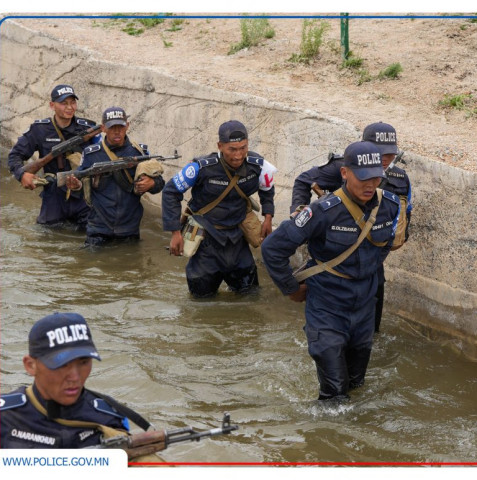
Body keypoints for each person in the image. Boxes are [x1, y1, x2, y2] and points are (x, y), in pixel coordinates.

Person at [262, 141, 400, 401]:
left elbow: (385, 245)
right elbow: (272, 248)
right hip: (327, 309)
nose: (370, 185)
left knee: (357, 384)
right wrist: (291, 289)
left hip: (363, 309)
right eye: (363, 178)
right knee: (335, 394)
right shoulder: (322, 211)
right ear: (345, 173)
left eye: (376, 178)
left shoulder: (389, 205)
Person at [289, 122, 413, 332]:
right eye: (379, 153)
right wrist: (298, 214)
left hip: (371, 263)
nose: (383, 160)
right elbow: (303, 181)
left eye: (389, 155)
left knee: (371, 331)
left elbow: (403, 219)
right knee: (328, 331)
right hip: (334, 258)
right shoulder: (342, 167)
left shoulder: (399, 179)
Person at [0, 312, 151, 449]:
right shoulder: (6, 417)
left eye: (84, 362)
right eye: (62, 365)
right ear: (30, 365)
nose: (75, 377)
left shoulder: (110, 417)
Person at [162, 120, 275, 297]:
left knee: (250, 297)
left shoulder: (258, 166)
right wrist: (174, 232)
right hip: (206, 242)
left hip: (238, 240)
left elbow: (267, 189)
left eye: (243, 148)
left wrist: (268, 216)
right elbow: (171, 192)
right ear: (220, 146)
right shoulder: (200, 168)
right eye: (232, 149)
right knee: (201, 304)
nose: (238, 155)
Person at [65, 106, 164, 247]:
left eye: (121, 126)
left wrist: (152, 184)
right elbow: (81, 183)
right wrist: (76, 186)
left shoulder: (140, 152)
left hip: (129, 230)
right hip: (98, 229)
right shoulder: (91, 153)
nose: (117, 131)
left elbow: (160, 184)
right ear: (104, 128)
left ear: (127, 126)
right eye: (112, 127)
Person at [7, 84, 99, 228]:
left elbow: (102, 155)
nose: (69, 107)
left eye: (73, 102)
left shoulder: (88, 128)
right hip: (53, 195)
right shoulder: (40, 129)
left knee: (92, 235)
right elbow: (14, 156)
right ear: (52, 105)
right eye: (64, 103)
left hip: (82, 194)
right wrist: (22, 174)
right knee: (47, 235)